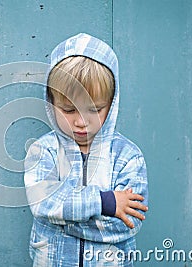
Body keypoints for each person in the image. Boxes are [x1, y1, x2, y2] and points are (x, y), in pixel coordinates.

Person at [24, 33, 149, 267]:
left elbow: (127, 223)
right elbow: (43, 204)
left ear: (111, 104)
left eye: (95, 110)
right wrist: (105, 202)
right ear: (51, 103)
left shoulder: (128, 156)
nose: (81, 122)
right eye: (69, 110)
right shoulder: (43, 151)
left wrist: (62, 218)